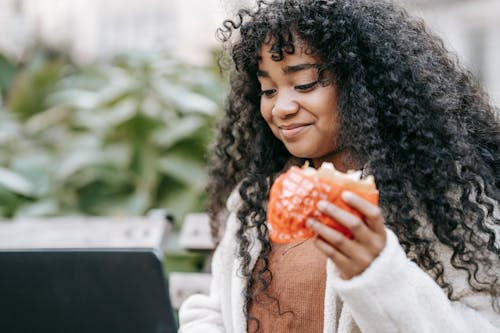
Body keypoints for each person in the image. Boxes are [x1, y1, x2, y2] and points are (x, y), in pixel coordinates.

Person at [178, 0, 500, 332]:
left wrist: (378, 273)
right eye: (268, 89)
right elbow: (216, 309)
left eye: (304, 84)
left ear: (363, 85)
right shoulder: (254, 201)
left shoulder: (432, 196)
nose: (281, 107)